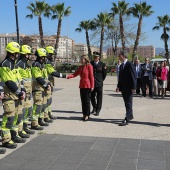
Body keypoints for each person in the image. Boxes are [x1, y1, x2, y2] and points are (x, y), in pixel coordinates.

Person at [0, 42, 26, 149]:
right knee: (9, 117)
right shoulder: (5, 64)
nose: (18, 55)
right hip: (9, 95)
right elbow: (9, 82)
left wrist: (23, 89)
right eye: (17, 53)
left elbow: (19, 79)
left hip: (16, 95)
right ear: (13, 52)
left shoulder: (14, 64)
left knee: (16, 116)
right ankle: (6, 140)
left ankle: (13, 135)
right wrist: (19, 92)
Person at [67, 55, 94, 121]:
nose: (81, 60)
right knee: (83, 100)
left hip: (87, 85)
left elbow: (91, 76)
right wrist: (68, 76)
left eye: (82, 59)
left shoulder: (89, 66)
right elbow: (75, 74)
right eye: (81, 59)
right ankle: (84, 114)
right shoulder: (80, 67)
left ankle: (87, 115)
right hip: (82, 85)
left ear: (86, 59)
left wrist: (92, 86)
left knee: (87, 101)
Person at [15, 45, 35, 135]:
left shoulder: (27, 63)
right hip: (23, 91)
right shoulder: (19, 63)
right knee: (21, 111)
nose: (29, 56)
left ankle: (25, 127)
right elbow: (19, 78)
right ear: (25, 54)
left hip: (28, 90)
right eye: (28, 54)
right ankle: (19, 129)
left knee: (28, 109)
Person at [31, 48, 51, 130]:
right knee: (37, 105)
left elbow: (44, 76)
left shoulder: (41, 64)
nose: (44, 58)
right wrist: (46, 85)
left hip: (43, 88)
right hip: (37, 88)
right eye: (43, 57)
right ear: (39, 57)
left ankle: (40, 119)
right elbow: (38, 77)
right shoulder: (36, 64)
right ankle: (34, 123)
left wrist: (47, 83)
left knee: (43, 105)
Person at [45, 46, 66, 120]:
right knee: (47, 100)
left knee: (49, 100)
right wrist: (63, 76)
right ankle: (46, 115)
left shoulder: (48, 61)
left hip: (50, 82)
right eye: (50, 55)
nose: (51, 56)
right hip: (47, 83)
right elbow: (52, 72)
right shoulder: (46, 62)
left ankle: (49, 113)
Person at [116, 51, 137, 126]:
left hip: (129, 88)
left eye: (119, 55)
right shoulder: (121, 66)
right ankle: (130, 115)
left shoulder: (130, 65)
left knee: (128, 103)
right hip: (123, 88)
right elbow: (120, 78)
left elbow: (133, 77)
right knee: (127, 103)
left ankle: (127, 119)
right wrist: (118, 86)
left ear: (124, 56)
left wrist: (134, 87)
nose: (118, 57)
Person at [90, 51, 107, 116]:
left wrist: (101, 80)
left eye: (96, 57)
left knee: (99, 97)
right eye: (94, 57)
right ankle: (94, 107)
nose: (95, 58)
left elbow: (104, 74)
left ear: (99, 57)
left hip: (99, 82)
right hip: (92, 83)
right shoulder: (90, 63)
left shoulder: (102, 64)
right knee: (92, 96)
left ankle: (98, 110)